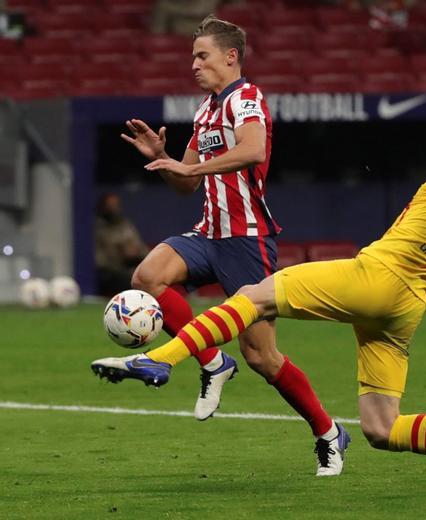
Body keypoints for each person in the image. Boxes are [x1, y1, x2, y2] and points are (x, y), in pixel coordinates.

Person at [92, 105, 426, 493]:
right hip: (409, 306)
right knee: (382, 428)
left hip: (379, 276)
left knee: (254, 297)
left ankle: (162, 359)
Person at [97, 15, 349, 477]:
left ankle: (329, 433)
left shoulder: (246, 99)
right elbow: (183, 185)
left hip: (247, 240)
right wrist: (163, 159)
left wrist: (191, 169)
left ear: (231, 57)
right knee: (147, 277)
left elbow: (253, 150)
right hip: (209, 232)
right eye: (193, 56)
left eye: (202, 55)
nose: (193, 64)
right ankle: (213, 361)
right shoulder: (205, 111)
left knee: (262, 357)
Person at [95, 193, 150, 297]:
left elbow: (143, 250)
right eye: (110, 205)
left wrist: (137, 253)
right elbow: (100, 262)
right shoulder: (98, 228)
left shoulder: (126, 224)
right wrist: (119, 253)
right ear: (103, 207)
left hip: (133, 267)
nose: (114, 208)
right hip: (111, 273)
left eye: (116, 205)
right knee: (129, 279)